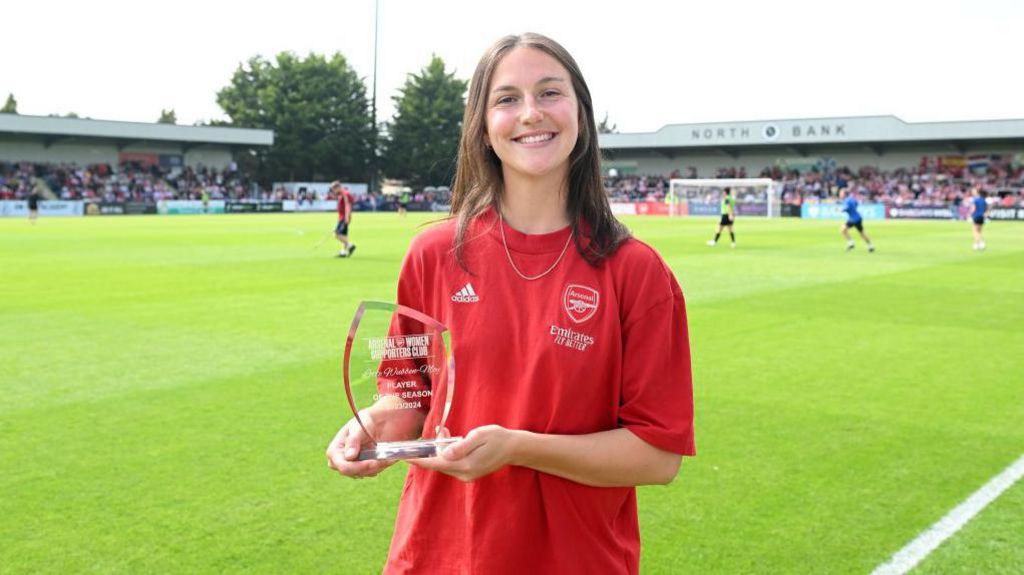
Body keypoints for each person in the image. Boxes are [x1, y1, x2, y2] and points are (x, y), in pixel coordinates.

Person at [325, 33, 695, 574]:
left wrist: (520, 447)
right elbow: (408, 398)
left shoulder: (636, 273)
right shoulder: (432, 253)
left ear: (582, 116)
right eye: (506, 99)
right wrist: (376, 426)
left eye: (550, 93)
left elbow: (658, 456)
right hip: (435, 556)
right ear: (482, 125)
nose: (530, 114)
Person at [840, 188, 875, 252]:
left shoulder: (846, 200)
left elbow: (846, 207)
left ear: (844, 194)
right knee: (862, 233)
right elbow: (856, 203)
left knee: (843, 229)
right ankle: (870, 246)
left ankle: (851, 243)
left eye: (841, 193)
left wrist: (842, 210)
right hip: (858, 217)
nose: (840, 194)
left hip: (853, 219)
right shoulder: (851, 198)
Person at [333, 182, 356, 257]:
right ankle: (343, 252)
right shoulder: (341, 194)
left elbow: (347, 205)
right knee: (344, 235)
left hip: (344, 217)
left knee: (336, 234)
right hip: (342, 217)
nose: (334, 191)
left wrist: (346, 217)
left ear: (338, 187)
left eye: (334, 189)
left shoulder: (344, 193)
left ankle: (350, 245)